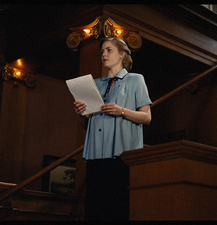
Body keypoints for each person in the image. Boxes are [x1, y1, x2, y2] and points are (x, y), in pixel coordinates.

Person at [73, 36, 152, 220]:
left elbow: (147, 117)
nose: (104, 54)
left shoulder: (135, 80)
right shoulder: (96, 84)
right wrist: (82, 114)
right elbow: (87, 124)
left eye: (109, 50)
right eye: (102, 51)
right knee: (95, 210)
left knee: (118, 209)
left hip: (122, 156)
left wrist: (121, 111)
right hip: (95, 156)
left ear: (122, 54)